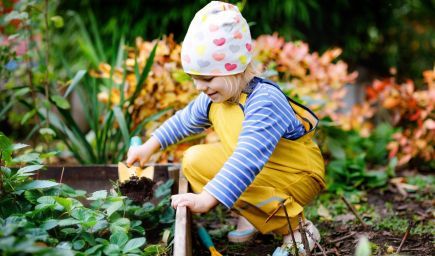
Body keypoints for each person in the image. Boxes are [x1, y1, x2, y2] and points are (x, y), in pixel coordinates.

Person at [126, 1, 325, 254]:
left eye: (207, 78)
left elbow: (247, 160)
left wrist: (207, 198)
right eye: (194, 79)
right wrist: (148, 147)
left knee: (238, 175)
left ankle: (298, 231)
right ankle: (257, 215)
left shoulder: (263, 100)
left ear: (236, 68)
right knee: (194, 160)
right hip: (265, 170)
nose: (200, 86)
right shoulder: (216, 97)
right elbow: (184, 120)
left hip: (297, 174)